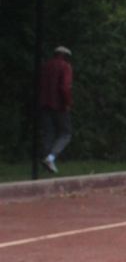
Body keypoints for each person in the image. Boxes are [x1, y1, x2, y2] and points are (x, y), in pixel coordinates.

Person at [38, 45, 73, 173]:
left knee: (48, 133)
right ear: (65, 56)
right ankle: (51, 157)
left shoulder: (46, 66)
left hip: (44, 103)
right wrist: (67, 102)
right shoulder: (65, 66)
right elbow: (65, 87)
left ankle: (46, 162)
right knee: (66, 133)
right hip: (59, 105)